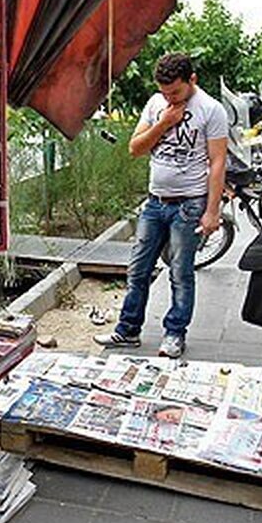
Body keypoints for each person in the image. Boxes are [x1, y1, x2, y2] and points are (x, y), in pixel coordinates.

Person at [94, 53, 228, 358]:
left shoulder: (211, 110)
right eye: (165, 92)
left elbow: (218, 162)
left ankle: (175, 333)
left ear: (192, 80)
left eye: (175, 92)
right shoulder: (157, 104)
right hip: (154, 202)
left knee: (180, 273)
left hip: (189, 204)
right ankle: (128, 330)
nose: (170, 98)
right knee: (138, 269)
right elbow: (135, 148)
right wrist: (164, 123)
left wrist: (212, 211)